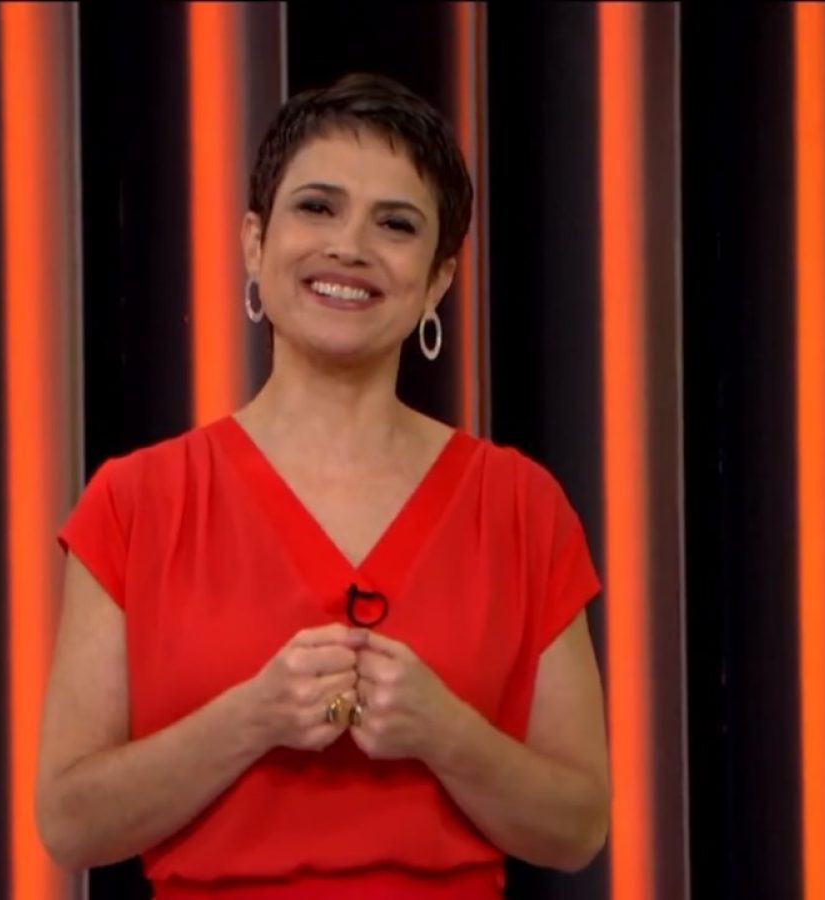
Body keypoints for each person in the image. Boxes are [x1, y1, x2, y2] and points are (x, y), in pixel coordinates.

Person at [36, 72, 609, 899]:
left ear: (439, 280)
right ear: (254, 243)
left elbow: (578, 826)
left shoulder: (522, 507)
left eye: (396, 224)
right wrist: (252, 718)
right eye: (317, 207)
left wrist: (446, 734)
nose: (350, 246)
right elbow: (70, 822)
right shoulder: (136, 503)